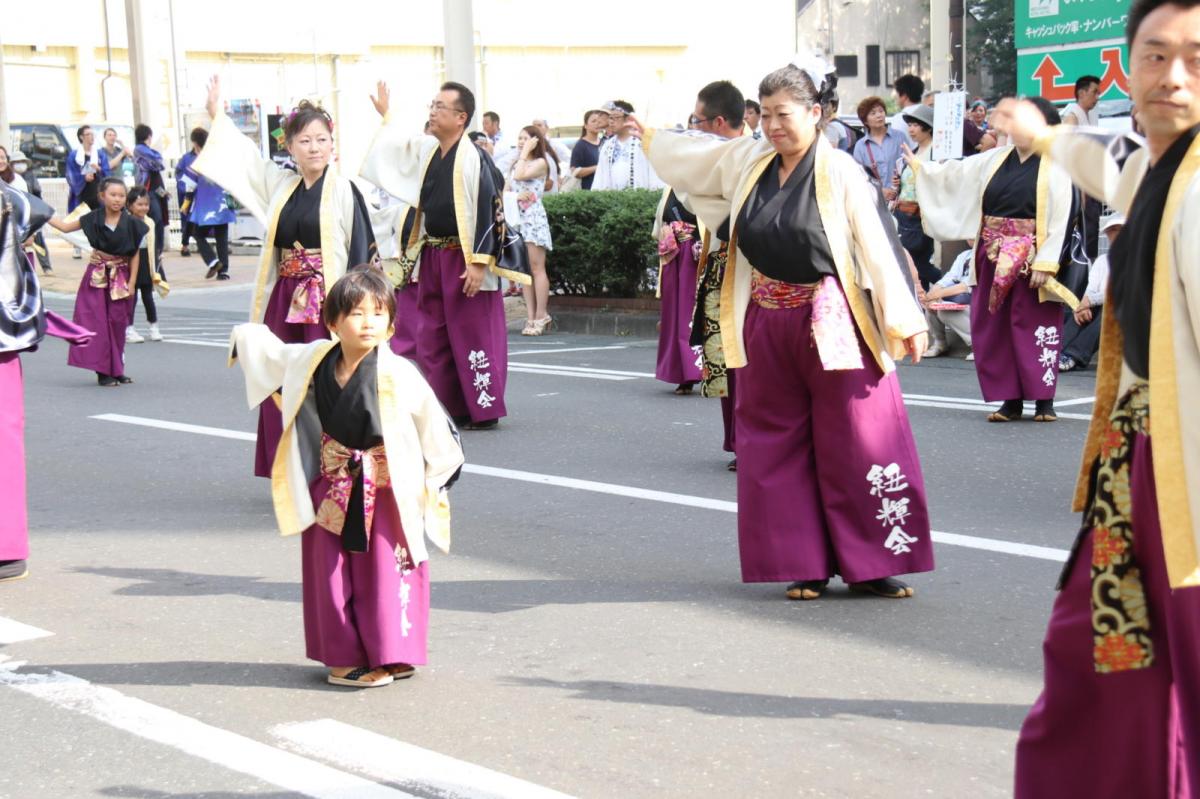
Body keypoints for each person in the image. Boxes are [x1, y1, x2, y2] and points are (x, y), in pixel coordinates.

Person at [993, 0, 1200, 791]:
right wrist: (1042, 135)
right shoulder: (1164, 163)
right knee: (1106, 656)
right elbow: (1104, 162)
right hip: (1142, 460)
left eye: (1196, 58)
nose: (1172, 79)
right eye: (1154, 56)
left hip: (1184, 468)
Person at [634, 56, 932, 600]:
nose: (773, 125)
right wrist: (650, 136)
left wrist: (905, 319)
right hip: (767, 317)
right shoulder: (750, 163)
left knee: (858, 437)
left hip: (833, 317)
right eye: (765, 114)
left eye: (784, 114)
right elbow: (698, 160)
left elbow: (878, 245)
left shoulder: (840, 170)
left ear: (814, 113)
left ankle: (871, 565)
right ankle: (803, 562)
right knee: (774, 440)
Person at [229, 267, 465, 688]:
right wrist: (244, 337)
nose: (368, 322)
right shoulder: (313, 358)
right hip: (334, 482)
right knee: (331, 572)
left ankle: (391, 652)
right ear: (333, 321)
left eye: (379, 313)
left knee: (390, 569)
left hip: (388, 486)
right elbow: (273, 354)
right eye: (356, 313)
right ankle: (342, 659)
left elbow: (434, 427)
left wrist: (436, 479)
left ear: (392, 324)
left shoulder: (401, 373)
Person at [195, 76, 378, 477]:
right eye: (305, 141)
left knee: (325, 380)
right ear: (290, 147)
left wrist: (358, 308)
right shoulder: (281, 186)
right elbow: (247, 161)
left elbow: (361, 254)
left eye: (322, 139)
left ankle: (331, 464)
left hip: (328, 302)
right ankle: (290, 466)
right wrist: (216, 116)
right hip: (285, 299)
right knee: (279, 378)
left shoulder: (345, 190)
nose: (314, 147)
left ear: (333, 144)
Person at [361, 80, 531, 431]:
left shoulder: (475, 158)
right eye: (432, 105)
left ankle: (482, 410)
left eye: (441, 106)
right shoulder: (429, 152)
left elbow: (490, 207)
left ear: (461, 117)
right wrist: (387, 116)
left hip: (464, 258)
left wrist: (479, 262)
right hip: (435, 255)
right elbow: (398, 151)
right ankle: (445, 406)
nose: (433, 111)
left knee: (472, 335)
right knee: (433, 335)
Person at [909, 97, 1077, 422]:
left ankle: (1044, 401)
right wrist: (922, 169)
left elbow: (1062, 216)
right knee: (996, 327)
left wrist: (1046, 261)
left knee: (1035, 324)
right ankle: (1009, 399)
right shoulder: (996, 158)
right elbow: (957, 173)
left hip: (1030, 258)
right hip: (992, 254)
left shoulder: (1056, 164)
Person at [0, 181, 95, 583]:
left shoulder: (8, 197)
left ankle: (7, 547)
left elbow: (55, 222)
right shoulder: (10, 197)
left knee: (3, 442)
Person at [47, 176, 147, 386]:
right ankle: (102, 371)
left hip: (120, 277)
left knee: (118, 324)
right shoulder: (92, 218)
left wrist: (132, 283)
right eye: (113, 195)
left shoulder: (133, 224)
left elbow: (135, 255)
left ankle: (116, 368)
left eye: (121, 195)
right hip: (96, 276)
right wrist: (41, 213)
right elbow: (64, 228)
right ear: (102, 196)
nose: (117, 199)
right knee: (97, 323)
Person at [506, 126, 555, 335]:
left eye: (525, 138)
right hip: (518, 219)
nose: (520, 141)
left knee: (537, 268)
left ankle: (541, 315)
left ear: (535, 141)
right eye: (519, 138)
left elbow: (519, 175)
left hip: (533, 219)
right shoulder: (517, 162)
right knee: (524, 271)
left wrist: (524, 153)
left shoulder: (540, 163)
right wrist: (513, 197)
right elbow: (506, 189)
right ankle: (531, 315)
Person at [1058, 215, 1121, 372]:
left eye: (1120, 230)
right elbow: (1091, 288)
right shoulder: (1102, 260)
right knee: (1082, 311)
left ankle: (1073, 355)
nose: (1116, 234)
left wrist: (1089, 301)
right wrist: (1083, 305)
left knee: (1112, 308)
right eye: (1111, 230)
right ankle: (1055, 351)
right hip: (1098, 305)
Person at [894, 103, 939, 290]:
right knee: (912, 260)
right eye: (910, 125)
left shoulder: (936, 152)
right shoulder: (914, 151)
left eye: (915, 125)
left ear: (928, 127)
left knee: (918, 262)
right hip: (905, 213)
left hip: (921, 214)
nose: (911, 129)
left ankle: (947, 285)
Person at [183, 128, 237, 281]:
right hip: (223, 204)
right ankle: (224, 271)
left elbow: (190, 186)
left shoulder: (198, 162)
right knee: (222, 236)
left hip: (205, 206)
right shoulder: (222, 159)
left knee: (198, 234)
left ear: (195, 144)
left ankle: (213, 261)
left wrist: (186, 205)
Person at [123, 187, 166, 343]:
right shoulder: (125, 220)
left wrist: (157, 259)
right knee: (131, 298)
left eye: (146, 204)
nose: (143, 208)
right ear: (130, 205)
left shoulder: (150, 222)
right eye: (139, 204)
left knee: (148, 297)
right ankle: (129, 329)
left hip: (147, 261)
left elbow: (154, 243)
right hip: (130, 262)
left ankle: (154, 327)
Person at [593, 101, 664, 191]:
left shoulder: (642, 142)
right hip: (612, 200)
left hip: (640, 199)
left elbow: (654, 175)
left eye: (616, 117)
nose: (611, 121)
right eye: (610, 118)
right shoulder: (607, 146)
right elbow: (600, 177)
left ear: (629, 119)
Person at [2, 149, 52, 274]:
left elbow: (28, 207)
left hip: (17, 233)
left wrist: (31, 233)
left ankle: (46, 266)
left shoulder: (17, 180)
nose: (0, 161)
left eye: (2, 157)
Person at [922, 245, 973, 358]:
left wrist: (939, 294)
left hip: (977, 299)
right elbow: (950, 277)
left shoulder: (989, 255)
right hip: (958, 296)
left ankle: (978, 345)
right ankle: (940, 343)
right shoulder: (964, 255)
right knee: (931, 306)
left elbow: (967, 286)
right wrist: (934, 291)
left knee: (945, 312)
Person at [852, 96, 904, 202]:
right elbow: (858, 177)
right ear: (865, 121)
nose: (879, 115)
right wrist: (880, 191)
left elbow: (908, 167)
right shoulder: (861, 146)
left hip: (900, 200)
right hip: (874, 202)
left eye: (881, 111)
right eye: (873, 113)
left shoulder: (899, 137)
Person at [133, 125, 170, 261]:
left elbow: (157, 166)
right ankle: (152, 248)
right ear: (148, 136)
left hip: (155, 189)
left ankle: (157, 249)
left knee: (158, 219)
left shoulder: (146, 150)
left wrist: (163, 192)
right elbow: (158, 162)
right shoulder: (139, 149)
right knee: (155, 219)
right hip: (147, 191)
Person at [65, 125, 111, 213]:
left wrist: (99, 169)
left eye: (93, 134)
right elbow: (70, 174)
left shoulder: (100, 154)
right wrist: (83, 177)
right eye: (88, 134)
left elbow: (107, 172)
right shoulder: (74, 155)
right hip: (82, 193)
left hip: (98, 192)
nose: (92, 136)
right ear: (81, 137)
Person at [176, 128, 203, 256]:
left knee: (193, 220)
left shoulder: (203, 156)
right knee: (190, 220)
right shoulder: (187, 158)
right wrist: (185, 187)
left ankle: (191, 244)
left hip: (200, 194)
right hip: (192, 194)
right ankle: (186, 244)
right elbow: (179, 174)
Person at [570, 110, 607, 190]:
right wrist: (597, 167)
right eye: (594, 121)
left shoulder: (605, 142)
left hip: (605, 189)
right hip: (588, 191)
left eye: (599, 121)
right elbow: (575, 172)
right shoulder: (580, 145)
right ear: (585, 125)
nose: (597, 123)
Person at [890, 74, 925, 147]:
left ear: (904, 96)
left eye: (896, 93)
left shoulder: (899, 118)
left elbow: (897, 147)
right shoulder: (929, 113)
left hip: (910, 157)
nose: (895, 97)